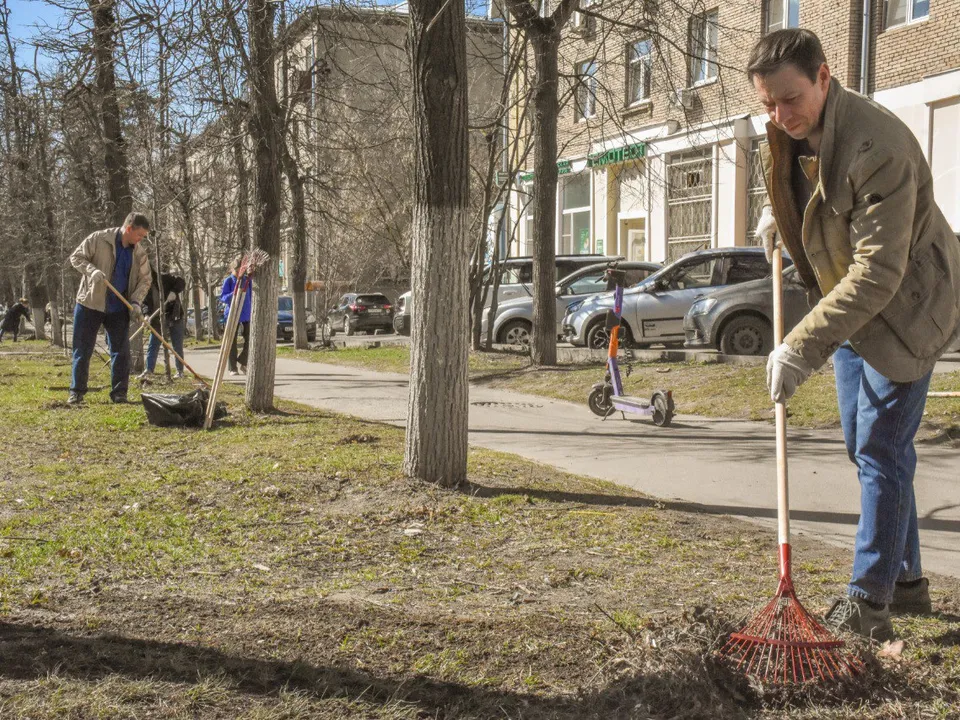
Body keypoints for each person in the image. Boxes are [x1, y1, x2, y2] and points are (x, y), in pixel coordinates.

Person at [748, 29, 960, 642]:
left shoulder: (878, 144)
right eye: (767, 103)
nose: (780, 116)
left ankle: (869, 600)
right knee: (866, 449)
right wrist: (781, 217)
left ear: (824, 75)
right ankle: (911, 581)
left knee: (881, 450)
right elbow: (812, 198)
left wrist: (798, 346)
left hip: (909, 310)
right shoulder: (785, 127)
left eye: (790, 99)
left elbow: (879, 272)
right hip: (850, 309)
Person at [68, 212, 152, 405]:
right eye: (139, 235)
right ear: (129, 228)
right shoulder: (99, 239)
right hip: (90, 303)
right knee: (83, 349)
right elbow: (77, 257)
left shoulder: (138, 253)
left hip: (119, 308)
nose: (140, 240)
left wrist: (137, 302)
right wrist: (92, 271)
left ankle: (119, 393)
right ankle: (77, 392)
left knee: (121, 352)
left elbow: (145, 280)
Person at [141, 266, 187, 379]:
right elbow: (145, 303)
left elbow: (181, 281)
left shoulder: (164, 278)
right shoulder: (143, 286)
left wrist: (174, 291)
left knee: (177, 346)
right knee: (153, 345)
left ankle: (180, 371)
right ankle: (149, 370)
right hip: (157, 319)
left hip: (174, 316)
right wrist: (146, 315)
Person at [220, 257, 252, 375]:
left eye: (242, 270)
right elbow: (223, 297)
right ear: (233, 269)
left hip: (246, 313)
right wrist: (233, 294)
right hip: (232, 313)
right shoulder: (229, 281)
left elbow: (251, 296)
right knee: (231, 342)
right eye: (238, 270)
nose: (240, 272)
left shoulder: (247, 280)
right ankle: (232, 367)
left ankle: (243, 362)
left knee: (250, 340)